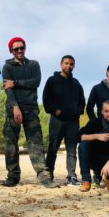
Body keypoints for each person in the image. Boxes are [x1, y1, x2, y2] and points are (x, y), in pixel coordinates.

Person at [2, 37, 54, 187]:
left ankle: (43, 175)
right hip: (14, 108)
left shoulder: (33, 64)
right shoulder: (7, 67)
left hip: (31, 108)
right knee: (11, 142)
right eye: (16, 49)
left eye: (21, 47)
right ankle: (13, 176)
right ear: (11, 51)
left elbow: (36, 82)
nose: (19, 51)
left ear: (25, 48)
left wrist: (16, 83)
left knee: (35, 142)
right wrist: (15, 107)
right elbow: (8, 89)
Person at [43, 55, 85, 185]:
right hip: (57, 120)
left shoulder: (76, 83)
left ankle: (71, 176)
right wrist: (55, 110)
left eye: (71, 64)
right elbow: (46, 99)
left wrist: (77, 112)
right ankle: (48, 174)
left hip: (73, 121)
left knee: (72, 150)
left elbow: (82, 101)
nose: (69, 66)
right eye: (66, 63)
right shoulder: (52, 80)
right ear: (61, 64)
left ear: (74, 66)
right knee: (53, 148)